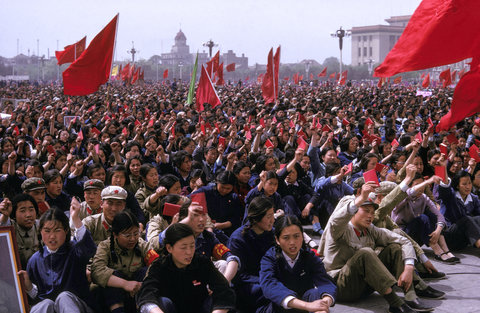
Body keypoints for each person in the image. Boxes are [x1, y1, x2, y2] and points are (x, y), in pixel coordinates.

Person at [319, 181, 435, 313]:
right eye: (366, 211)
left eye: (372, 212)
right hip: (341, 287)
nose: (370, 216)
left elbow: (404, 241)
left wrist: (409, 267)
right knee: (366, 253)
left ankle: (410, 295)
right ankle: (395, 303)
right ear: (355, 211)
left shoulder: (371, 230)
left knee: (394, 248)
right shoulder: (340, 229)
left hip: (363, 286)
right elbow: (336, 219)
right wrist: (361, 198)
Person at [136, 223, 236, 313]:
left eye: (192, 246)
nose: (189, 252)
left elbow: (224, 290)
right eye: (183, 247)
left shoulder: (202, 262)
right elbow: (146, 296)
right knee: (163, 302)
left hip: (199, 309)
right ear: (169, 248)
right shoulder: (159, 266)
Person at [18, 203, 97, 313]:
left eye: (57, 230)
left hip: (75, 307)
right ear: (40, 231)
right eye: (47, 230)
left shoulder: (75, 251)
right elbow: (36, 298)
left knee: (64, 297)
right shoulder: (35, 260)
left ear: (65, 230)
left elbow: (90, 248)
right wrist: (29, 286)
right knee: (46, 303)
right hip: (49, 309)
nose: (52, 236)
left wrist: (75, 218)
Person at [259, 215, 337, 313]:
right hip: (280, 308)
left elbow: (325, 281)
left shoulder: (309, 256)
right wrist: (307, 306)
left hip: (306, 305)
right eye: (286, 238)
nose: (292, 242)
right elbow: (270, 286)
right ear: (277, 240)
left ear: (302, 236)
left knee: (316, 294)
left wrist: (324, 303)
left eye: (296, 236)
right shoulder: (270, 258)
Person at [91, 211, 159, 313]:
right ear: (115, 234)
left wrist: (140, 285)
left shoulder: (142, 245)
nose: (132, 239)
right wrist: (125, 284)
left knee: (144, 272)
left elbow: (156, 264)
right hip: (112, 299)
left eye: (136, 233)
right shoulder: (105, 246)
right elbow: (97, 271)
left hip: (137, 295)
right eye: (127, 235)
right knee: (113, 275)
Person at [228, 196, 276, 311]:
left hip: (268, 278)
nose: (272, 220)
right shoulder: (238, 239)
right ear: (256, 218)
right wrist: (266, 280)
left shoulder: (271, 234)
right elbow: (240, 275)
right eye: (268, 217)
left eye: (272, 215)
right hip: (248, 285)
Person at [0, 194, 40, 269]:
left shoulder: (41, 226)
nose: (28, 215)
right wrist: (5, 216)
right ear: (14, 214)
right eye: (22, 211)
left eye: (31, 210)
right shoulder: (10, 226)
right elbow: (2, 227)